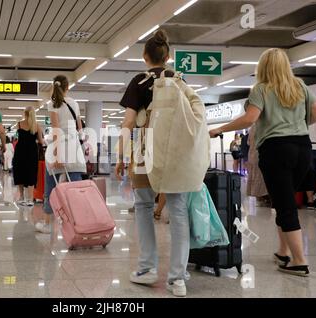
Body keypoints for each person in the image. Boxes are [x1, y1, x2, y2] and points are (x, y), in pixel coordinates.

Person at [209, 48, 316, 277]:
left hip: (276, 149)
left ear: (262, 67)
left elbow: (250, 118)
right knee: (284, 199)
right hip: (302, 146)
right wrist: (299, 124)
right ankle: (283, 251)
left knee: (285, 205)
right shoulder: (299, 86)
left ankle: (299, 261)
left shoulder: (261, 89)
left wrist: (220, 128)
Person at [115, 29, 193, 297]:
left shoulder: (139, 82)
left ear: (144, 56)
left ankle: (147, 269)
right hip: (176, 156)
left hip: (145, 155)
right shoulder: (180, 81)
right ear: (168, 56)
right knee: (178, 211)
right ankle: (178, 278)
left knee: (144, 207)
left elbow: (127, 123)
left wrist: (120, 156)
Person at [37, 75, 86, 234]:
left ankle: (46, 223)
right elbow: (80, 130)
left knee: (51, 186)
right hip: (74, 149)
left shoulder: (53, 104)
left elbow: (56, 131)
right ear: (67, 87)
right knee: (76, 188)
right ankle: (80, 224)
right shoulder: (75, 103)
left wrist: (57, 156)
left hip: (59, 149)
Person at [13, 107, 44, 206]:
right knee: (31, 173)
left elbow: (17, 137)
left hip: (20, 151)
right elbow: (41, 141)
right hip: (31, 152)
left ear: (25, 114)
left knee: (19, 172)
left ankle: (22, 197)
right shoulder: (37, 126)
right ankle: (30, 199)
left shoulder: (19, 124)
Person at [246, 127, 270, 205]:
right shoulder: (265, 126)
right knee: (262, 176)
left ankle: (259, 199)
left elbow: (248, 143)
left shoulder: (252, 128)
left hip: (252, 153)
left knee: (254, 175)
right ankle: (264, 197)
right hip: (261, 153)